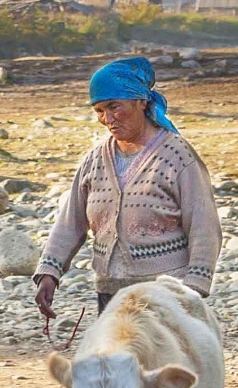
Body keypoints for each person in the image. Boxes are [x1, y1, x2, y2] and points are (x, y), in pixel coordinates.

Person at [34, 56, 221, 322]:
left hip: (167, 296)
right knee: (117, 362)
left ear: (141, 102)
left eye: (114, 107)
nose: (107, 118)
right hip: (110, 294)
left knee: (161, 363)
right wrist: (49, 272)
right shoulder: (95, 159)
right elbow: (70, 222)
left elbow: (204, 226)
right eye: (99, 111)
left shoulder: (177, 156)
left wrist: (194, 287)